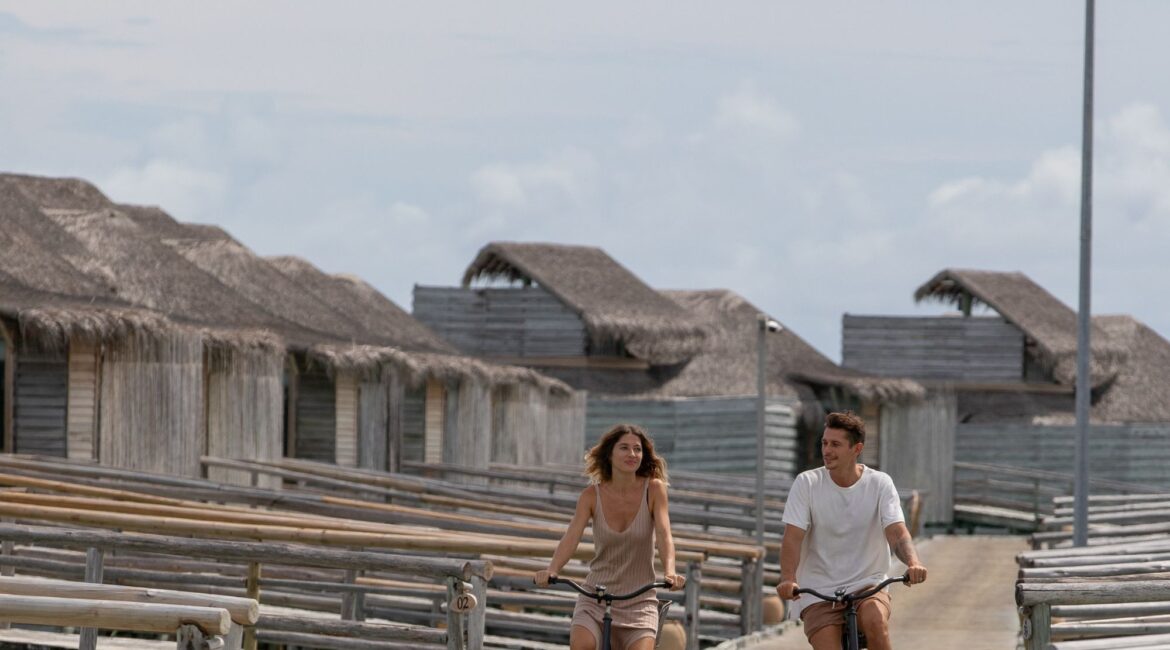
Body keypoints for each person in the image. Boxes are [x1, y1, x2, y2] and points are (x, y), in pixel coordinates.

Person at [776, 411, 928, 650]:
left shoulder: (879, 483)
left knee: (876, 622)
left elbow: (897, 532)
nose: (827, 450)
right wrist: (788, 579)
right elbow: (792, 538)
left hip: (868, 584)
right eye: (824, 443)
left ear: (856, 449)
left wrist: (913, 563)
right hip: (819, 590)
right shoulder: (807, 483)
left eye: (835, 444)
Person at [534, 423, 686, 650]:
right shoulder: (590, 496)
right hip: (596, 596)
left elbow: (665, 534)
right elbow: (571, 536)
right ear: (610, 454)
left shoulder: (654, 490)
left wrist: (670, 572)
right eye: (624, 448)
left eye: (637, 449)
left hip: (639, 599)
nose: (632, 454)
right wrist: (552, 569)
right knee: (582, 646)